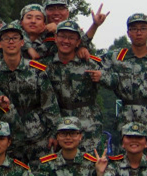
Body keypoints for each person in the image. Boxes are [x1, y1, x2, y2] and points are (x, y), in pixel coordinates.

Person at [99, 14, 147, 159]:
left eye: (143, 29)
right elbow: (92, 65)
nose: (138, 33)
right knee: (124, 162)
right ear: (128, 33)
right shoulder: (116, 57)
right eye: (134, 29)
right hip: (127, 119)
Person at [0, 22, 59, 166]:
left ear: (22, 43)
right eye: (6, 38)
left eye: (15, 38)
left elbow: (50, 104)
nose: (11, 42)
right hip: (6, 137)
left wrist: (55, 132)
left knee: (41, 174)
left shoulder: (36, 70)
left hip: (38, 135)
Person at [42, 20, 104, 155]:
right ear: (56, 38)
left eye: (71, 38)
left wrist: (102, 76)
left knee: (92, 162)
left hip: (88, 125)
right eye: (62, 36)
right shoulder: (45, 66)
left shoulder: (90, 64)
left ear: (78, 42)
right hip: (59, 124)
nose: (66, 41)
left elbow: (114, 80)